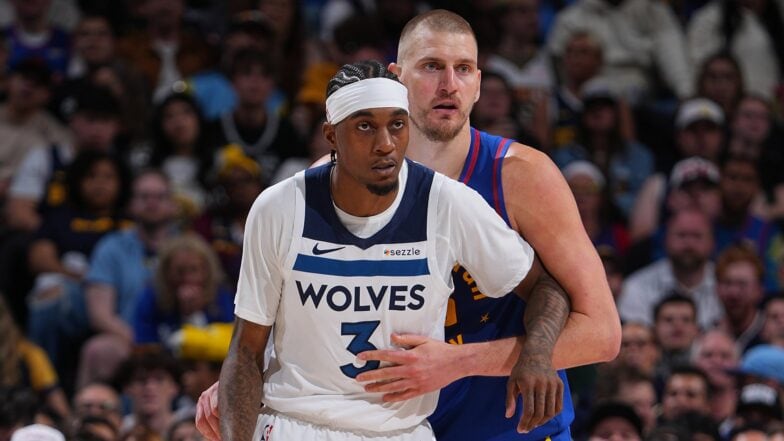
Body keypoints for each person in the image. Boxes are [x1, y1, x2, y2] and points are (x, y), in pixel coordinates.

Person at [198, 9, 621, 441]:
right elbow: (303, 306)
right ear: (397, 79)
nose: (449, 85)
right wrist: (251, 383)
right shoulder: (330, 177)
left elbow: (601, 334)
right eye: (432, 66)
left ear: (478, 83)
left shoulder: (520, 175)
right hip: (400, 428)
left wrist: (461, 361)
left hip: (510, 429)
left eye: (464, 69)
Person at [220, 60, 545, 440]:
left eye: (397, 124)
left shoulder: (447, 203)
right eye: (365, 126)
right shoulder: (279, 207)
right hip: (295, 424)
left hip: (402, 431)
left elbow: (544, 285)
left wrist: (538, 353)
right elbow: (246, 351)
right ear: (331, 135)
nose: (385, 144)